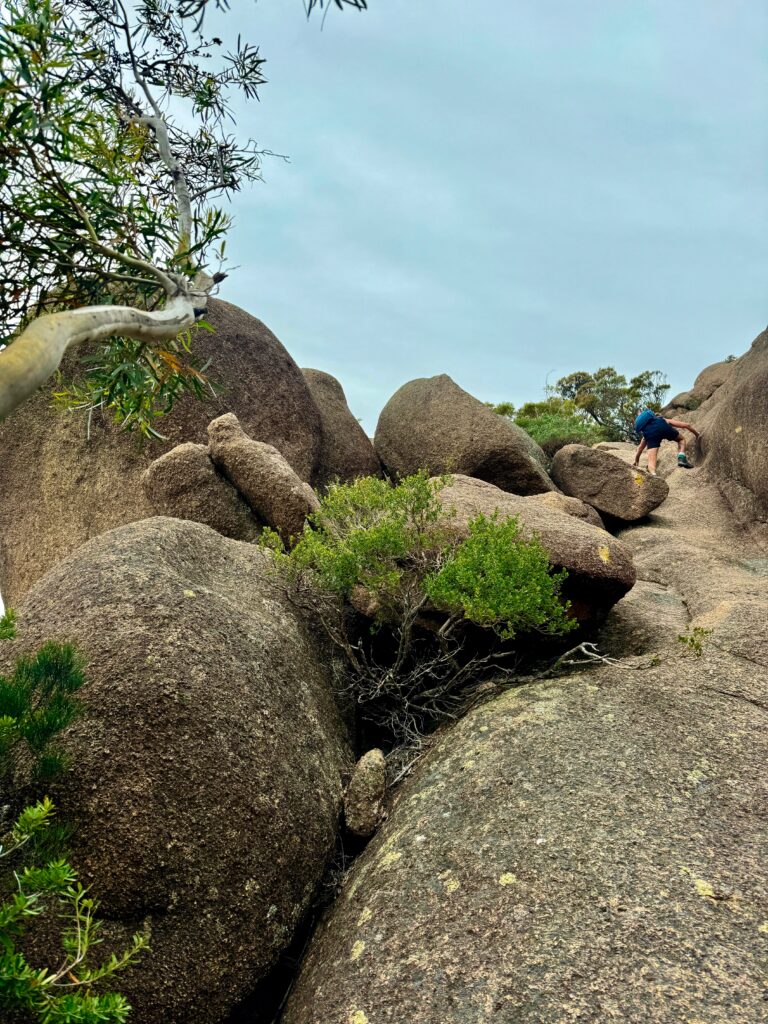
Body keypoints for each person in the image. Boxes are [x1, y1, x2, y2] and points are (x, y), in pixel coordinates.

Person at [633, 409, 701, 476]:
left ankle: (653, 475)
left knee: (651, 464)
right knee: (681, 440)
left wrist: (636, 461)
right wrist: (697, 434)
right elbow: (686, 425)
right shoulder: (661, 419)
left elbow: (640, 449)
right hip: (663, 426)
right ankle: (681, 458)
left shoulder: (646, 433)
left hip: (651, 435)